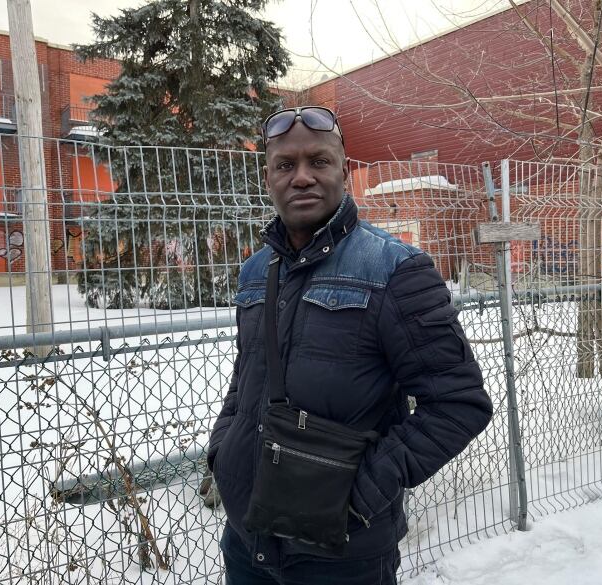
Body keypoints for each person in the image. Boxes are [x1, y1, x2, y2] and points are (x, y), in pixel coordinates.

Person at [207, 106, 492, 584]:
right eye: (285, 165)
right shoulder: (257, 271)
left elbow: (458, 403)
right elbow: (246, 375)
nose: (301, 178)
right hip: (247, 540)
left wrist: (357, 496)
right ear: (268, 178)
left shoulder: (396, 270)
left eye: (318, 162)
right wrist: (222, 448)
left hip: (341, 555)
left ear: (344, 171)